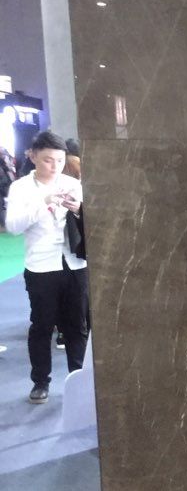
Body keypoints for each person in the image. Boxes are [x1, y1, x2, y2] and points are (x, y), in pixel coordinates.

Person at [4, 129, 89, 403]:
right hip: (41, 266)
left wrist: (77, 208)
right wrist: (44, 203)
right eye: (48, 160)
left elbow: (90, 220)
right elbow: (13, 226)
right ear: (33, 157)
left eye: (60, 160)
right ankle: (40, 381)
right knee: (41, 326)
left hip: (74, 263)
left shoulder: (72, 183)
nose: (55, 166)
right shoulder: (21, 187)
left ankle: (80, 379)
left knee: (77, 326)